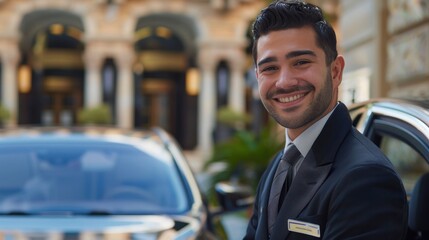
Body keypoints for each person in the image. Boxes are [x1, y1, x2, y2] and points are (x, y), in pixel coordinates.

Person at [243, 1, 408, 239]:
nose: (284, 82)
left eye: (301, 62)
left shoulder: (366, 179)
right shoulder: (278, 165)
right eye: (270, 68)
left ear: (336, 71)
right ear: (258, 76)